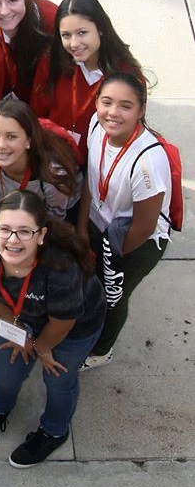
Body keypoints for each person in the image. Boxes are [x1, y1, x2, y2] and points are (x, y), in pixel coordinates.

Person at [0, 189, 105, 468]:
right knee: (5, 371)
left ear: (41, 235)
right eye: (4, 229)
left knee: (58, 380)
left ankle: (54, 431)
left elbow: (62, 322)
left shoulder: (61, 268)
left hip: (73, 327)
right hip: (18, 317)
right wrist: (18, 329)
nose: (13, 240)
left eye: (24, 232)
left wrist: (40, 348)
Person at [77, 72, 172, 369]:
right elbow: (91, 181)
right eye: (106, 102)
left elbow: (143, 228)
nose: (113, 113)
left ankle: (101, 351)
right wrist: (82, 227)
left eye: (125, 106)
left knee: (112, 298)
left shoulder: (148, 162)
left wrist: (111, 263)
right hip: (99, 223)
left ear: (141, 110)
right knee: (92, 286)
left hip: (134, 243)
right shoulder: (96, 124)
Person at [30, 0, 144, 160]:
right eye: (66, 35)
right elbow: (37, 115)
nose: (74, 44)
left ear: (101, 29)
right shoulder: (51, 61)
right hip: (54, 158)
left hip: (102, 163)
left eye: (82, 33)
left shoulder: (127, 75)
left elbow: (129, 130)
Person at [0, 98, 82, 228]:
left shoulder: (53, 176)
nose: (0, 145)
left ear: (28, 140)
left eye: (11, 136)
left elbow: (53, 222)